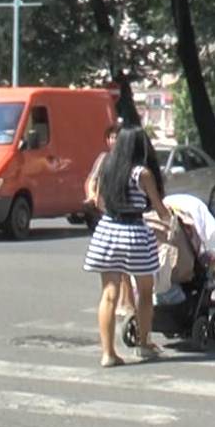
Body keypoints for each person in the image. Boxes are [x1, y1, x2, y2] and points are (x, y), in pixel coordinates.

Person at [85, 126, 172, 367]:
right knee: (145, 291)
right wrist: (169, 221)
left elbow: (100, 201)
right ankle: (144, 345)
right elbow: (158, 206)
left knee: (109, 294)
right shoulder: (142, 173)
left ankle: (108, 353)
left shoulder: (107, 166)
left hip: (107, 230)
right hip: (134, 232)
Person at [85, 124, 136, 323]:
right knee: (117, 266)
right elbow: (93, 180)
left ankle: (128, 302)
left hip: (123, 216)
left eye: (117, 137)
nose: (113, 141)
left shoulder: (130, 163)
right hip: (108, 216)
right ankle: (126, 303)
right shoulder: (104, 159)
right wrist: (92, 195)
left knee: (124, 265)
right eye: (111, 137)